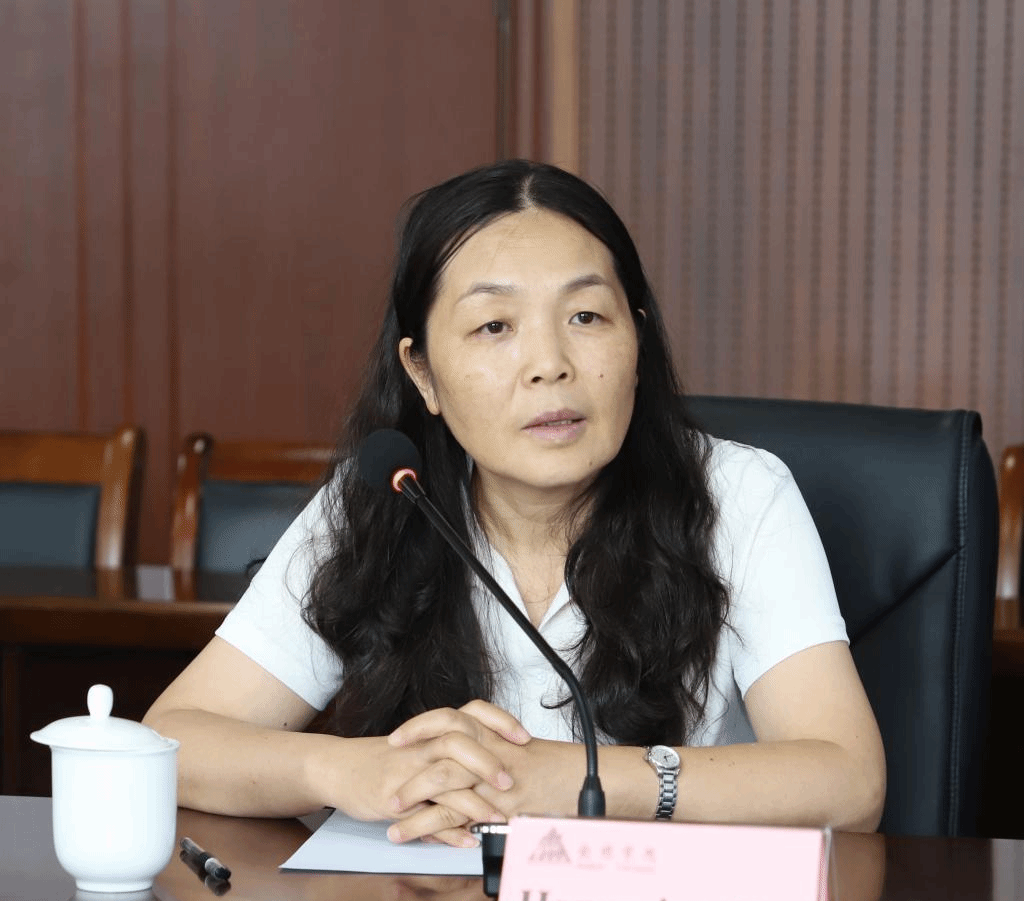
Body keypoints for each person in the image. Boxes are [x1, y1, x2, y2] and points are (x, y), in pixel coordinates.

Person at [144, 159, 886, 846]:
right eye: (494, 326)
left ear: (638, 341)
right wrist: (349, 769)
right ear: (423, 374)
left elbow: (850, 782)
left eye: (586, 317)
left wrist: (581, 782)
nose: (549, 365)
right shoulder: (389, 496)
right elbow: (172, 740)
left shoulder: (738, 494)